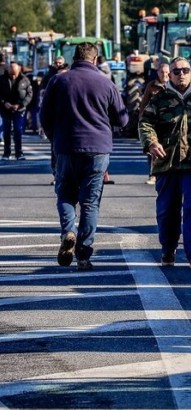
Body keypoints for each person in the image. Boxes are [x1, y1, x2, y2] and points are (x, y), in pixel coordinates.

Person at [40, 43, 128, 271]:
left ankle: (68, 231)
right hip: (97, 149)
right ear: (95, 60)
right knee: (90, 203)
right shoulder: (106, 83)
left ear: (73, 58)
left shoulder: (58, 81)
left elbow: (44, 116)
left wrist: (55, 138)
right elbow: (123, 119)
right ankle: (83, 255)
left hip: (66, 147)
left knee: (65, 195)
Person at [138, 57, 191, 269]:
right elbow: (145, 123)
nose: (181, 74)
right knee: (167, 210)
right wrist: (151, 143)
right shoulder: (159, 99)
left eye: (185, 70)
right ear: (169, 74)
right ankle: (168, 249)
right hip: (167, 164)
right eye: (176, 71)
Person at [140, 62, 171, 185]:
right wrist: (143, 120)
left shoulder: (173, 86)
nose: (164, 75)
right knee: (153, 149)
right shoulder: (151, 86)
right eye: (162, 72)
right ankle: (153, 174)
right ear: (157, 73)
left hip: (169, 124)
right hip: (155, 123)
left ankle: (167, 173)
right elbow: (144, 104)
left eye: (167, 72)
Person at [0, 61, 32, 160]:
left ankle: (19, 153)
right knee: (6, 131)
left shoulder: (25, 80)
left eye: (15, 74)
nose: (13, 76)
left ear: (19, 71)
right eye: (11, 74)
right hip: (5, 109)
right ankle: (6, 153)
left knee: (18, 130)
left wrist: (21, 104)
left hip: (19, 109)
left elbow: (29, 94)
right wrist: (4, 102)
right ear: (8, 70)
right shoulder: (2, 79)